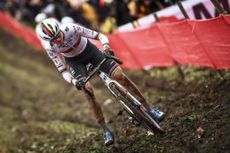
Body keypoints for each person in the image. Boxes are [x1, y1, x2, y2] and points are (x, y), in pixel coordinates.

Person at [35, 18, 165, 146]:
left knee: (120, 76)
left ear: (59, 29)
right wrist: (74, 82)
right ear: (48, 41)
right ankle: (105, 130)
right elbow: (63, 71)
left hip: (90, 51)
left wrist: (106, 47)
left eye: (58, 35)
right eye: (53, 40)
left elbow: (100, 36)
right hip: (75, 63)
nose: (57, 40)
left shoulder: (70, 28)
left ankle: (149, 109)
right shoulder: (50, 47)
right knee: (87, 90)